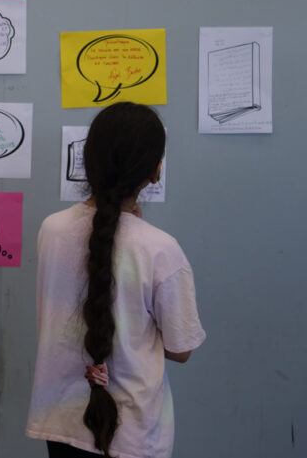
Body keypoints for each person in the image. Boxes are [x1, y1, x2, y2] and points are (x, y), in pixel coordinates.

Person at [26, 102, 206, 458]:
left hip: (61, 424)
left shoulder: (52, 229)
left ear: (89, 162)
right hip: (134, 434)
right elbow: (180, 348)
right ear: (155, 170)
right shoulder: (160, 249)